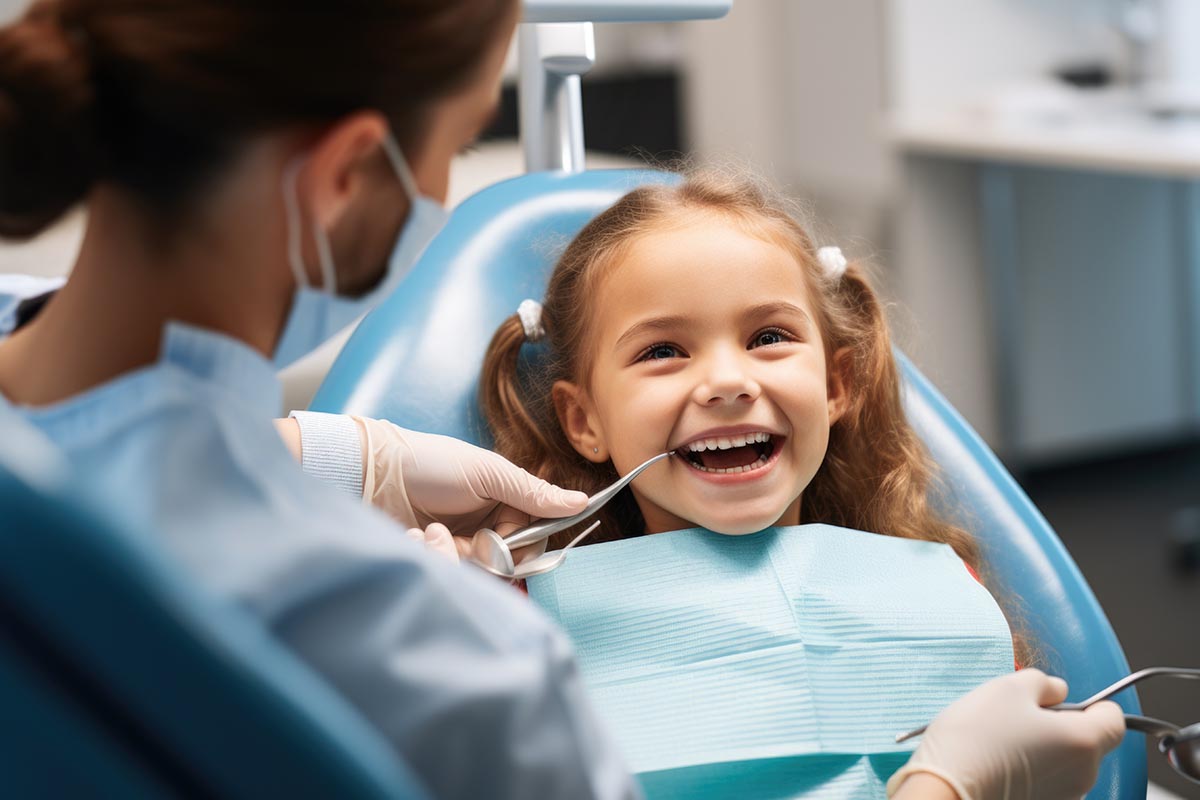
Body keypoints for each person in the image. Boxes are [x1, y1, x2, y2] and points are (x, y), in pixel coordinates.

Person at [0, 1, 1122, 798]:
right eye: (455, 142)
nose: (726, 379)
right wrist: (948, 787)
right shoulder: (450, 656)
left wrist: (332, 454)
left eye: (768, 336)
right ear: (343, 180)